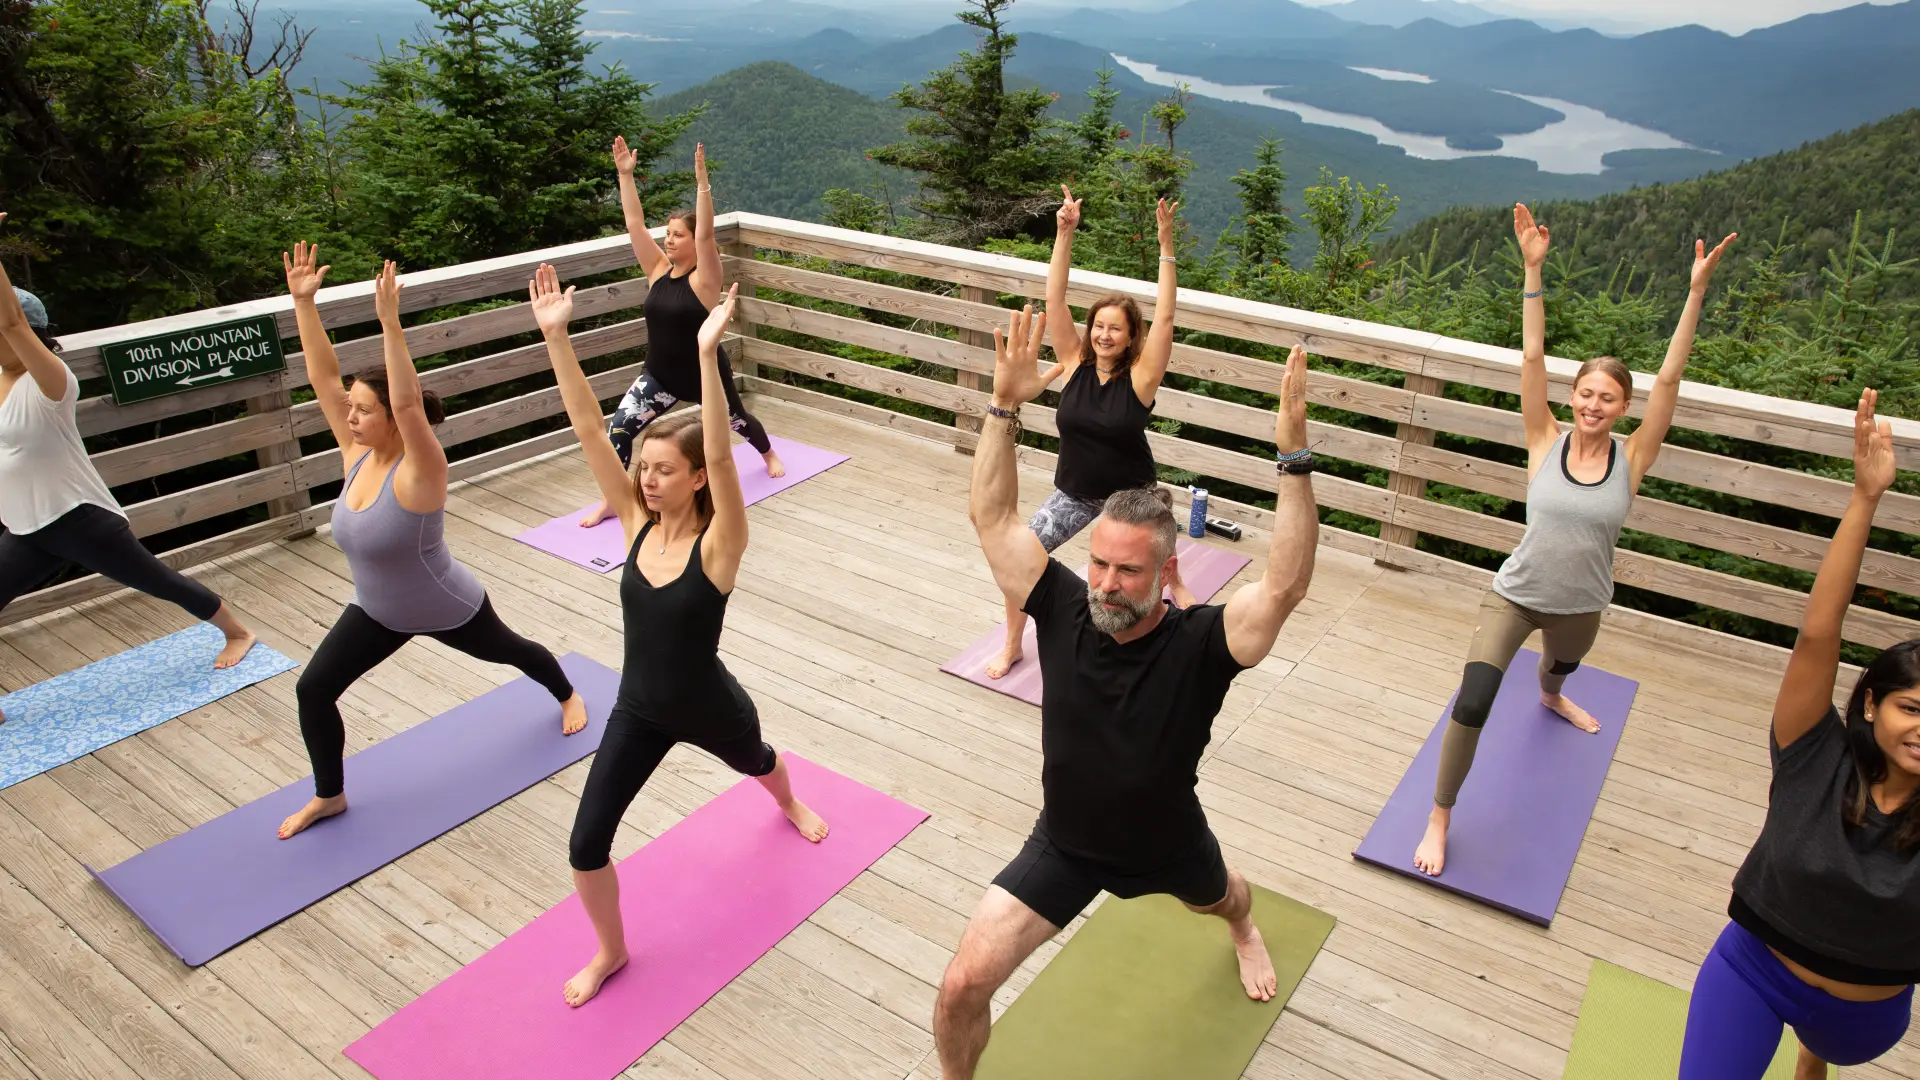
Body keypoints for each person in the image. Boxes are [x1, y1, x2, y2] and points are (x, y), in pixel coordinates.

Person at [935, 305, 1320, 1078]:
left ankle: (1243, 932)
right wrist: (1003, 409)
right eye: (1100, 565)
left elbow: (1283, 586)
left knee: (1227, 900)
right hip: (1065, 845)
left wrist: (1294, 461)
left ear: (1168, 574)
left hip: (1167, 844)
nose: (1105, 585)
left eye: (1128, 571)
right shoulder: (1063, 605)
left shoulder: (1203, 645)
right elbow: (994, 514)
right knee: (960, 987)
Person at [530, 263, 829, 1009]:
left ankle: (787, 800)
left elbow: (725, 454)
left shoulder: (721, 545)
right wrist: (556, 339)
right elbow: (587, 430)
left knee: (758, 758)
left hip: (708, 704)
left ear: (696, 479)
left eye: (664, 471)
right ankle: (611, 951)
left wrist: (704, 356)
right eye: (644, 470)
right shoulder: (633, 527)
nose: (647, 480)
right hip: (638, 709)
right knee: (584, 844)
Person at [1411, 206, 1738, 876]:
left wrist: (1696, 292)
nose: (1593, 404)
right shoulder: (1543, 439)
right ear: (1574, 396)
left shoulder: (1634, 458)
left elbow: (1670, 380)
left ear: (1623, 408)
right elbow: (1532, 356)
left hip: (1581, 606)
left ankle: (1553, 694)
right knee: (1472, 701)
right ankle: (1440, 814)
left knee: (1561, 668)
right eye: (1586, 393)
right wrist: (1533, 271)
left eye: (1608, 397)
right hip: (1515, 596)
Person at [277, 247, 586, 839]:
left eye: (365, 410)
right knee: (313, 689)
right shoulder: (354, 454)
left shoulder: (421, 472)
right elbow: (321, 377)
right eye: (352, 409)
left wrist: (391, 323)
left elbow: (409, 402)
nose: (352, 417)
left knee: (514, 652)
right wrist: (303, 304)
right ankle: (330, 795)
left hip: (448, 605)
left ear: (392, 417)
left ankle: (568, 693)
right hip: (377, 612)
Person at [1680, 389, 1914, 1080]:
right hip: (1753, 971)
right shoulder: (1816, 752)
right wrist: (1864, 500)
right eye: (1912, 708)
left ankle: (1811, 1055)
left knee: (1825, 1054)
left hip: (1859, 1021)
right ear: (1870, 705)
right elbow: (1819, 632)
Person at [0, 211, 257, 727]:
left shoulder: (52, 383)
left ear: (34, 336)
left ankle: (238, 631)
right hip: (25, 527)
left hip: (78, 518)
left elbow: (12, 323)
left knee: (160, 582)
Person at [984, 185, 1188, 680]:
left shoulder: (1140, 379)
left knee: (1149, 577)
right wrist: (1063, 232)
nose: (1104, 335)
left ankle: (1158, 636)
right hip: (1074, 493)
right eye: (1099, 326)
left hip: (1132, 497)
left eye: (1115, 328)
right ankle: (1013, 642)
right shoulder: (1074, 363)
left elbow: (1165, 317)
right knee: (1019, 555)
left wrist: (1166, 246)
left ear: (1129, 335)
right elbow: (1054, 298)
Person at [578, 139, 782, 528]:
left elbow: (707, 237)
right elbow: (634, 225)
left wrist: (702, 184)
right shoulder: (656, 270)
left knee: (737, 419)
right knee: (618, 430)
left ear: (692, 242)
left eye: (677, 235)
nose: (669, 240)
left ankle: (768, 453)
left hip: (703, 375)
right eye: (668, 234)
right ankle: (613, 499)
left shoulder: (705, 281)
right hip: (659, 377)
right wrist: (625, 175)